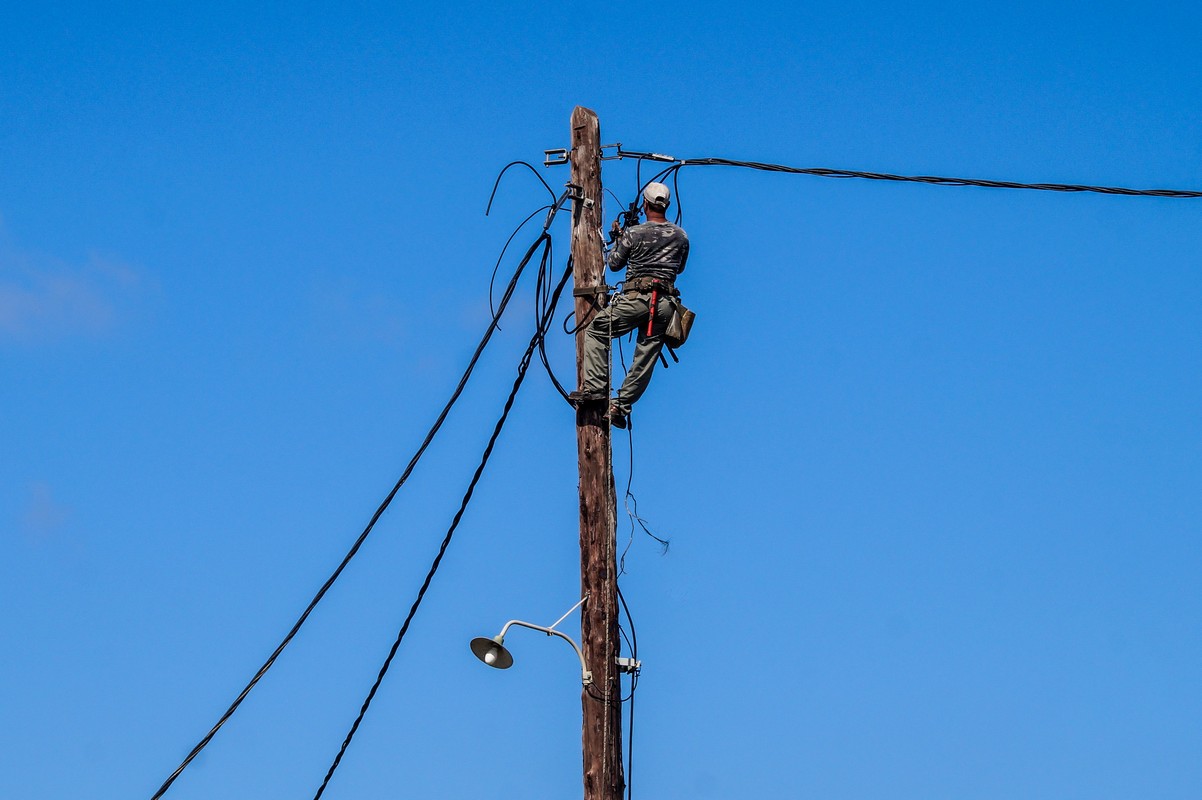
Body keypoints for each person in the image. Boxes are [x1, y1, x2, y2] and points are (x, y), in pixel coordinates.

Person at [572, 181, 689, 428]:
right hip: (666, 304)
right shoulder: (681, 236)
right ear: (667, 205)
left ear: (645, 204)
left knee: (597, 330)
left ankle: (595, 388)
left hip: (637, 298)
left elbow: (614, 263)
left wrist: (619, 238)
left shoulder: (634, 234)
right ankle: (620, 406)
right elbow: (679, 267)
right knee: (645, 359)